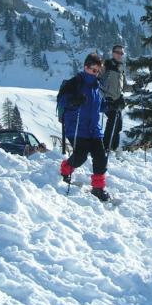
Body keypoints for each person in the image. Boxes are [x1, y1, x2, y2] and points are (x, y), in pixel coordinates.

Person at [59, 53, 111, 201]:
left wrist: (111, 106)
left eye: (97, 71)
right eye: (92, 69)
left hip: (93, 128)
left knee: (101, 157)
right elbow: (62, 100)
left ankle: (98, 188)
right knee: (81, 156)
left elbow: (98, 106)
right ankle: (65, 170)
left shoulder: (97, 86)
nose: (94, 73)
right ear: (85, 67)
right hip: (76, 127)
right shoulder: (74, 83)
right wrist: (73, 101)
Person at [100, 45, 128, 154]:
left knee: (118, 124)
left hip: (117, 100)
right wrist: (103, 95)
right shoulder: (106, 64)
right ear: (113, 53)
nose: (120, 55)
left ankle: (113, 147)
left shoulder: (121, 68)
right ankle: (106, 147)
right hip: (107, 99)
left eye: (121, 53)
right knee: (112, 121)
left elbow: (124, 86)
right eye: (118, 52)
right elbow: (98, 79)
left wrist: (135, 87)